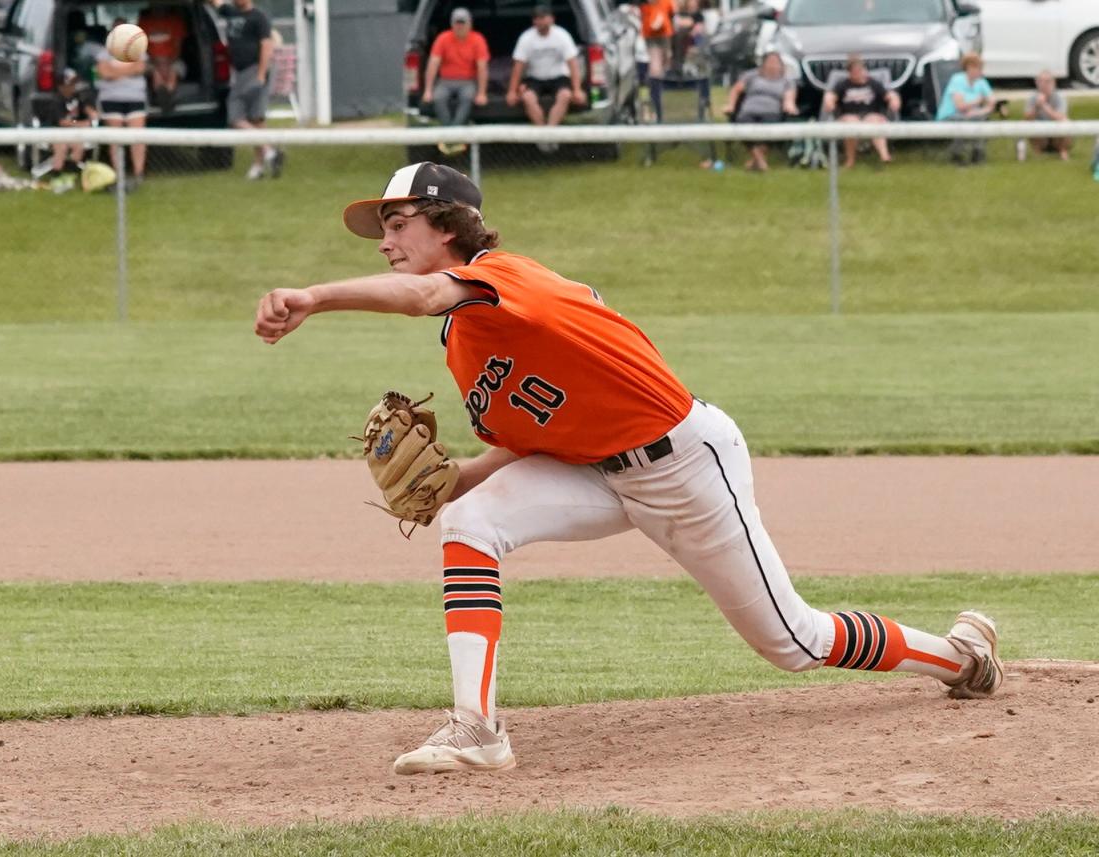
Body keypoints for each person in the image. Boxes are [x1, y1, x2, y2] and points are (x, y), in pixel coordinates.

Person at [253, 162, 1006, 775]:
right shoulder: (462, 341)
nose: (383, 241)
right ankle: (476, 728)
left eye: (396, 223)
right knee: (469, 520)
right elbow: (525, 439)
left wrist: (314, 298)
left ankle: (959, 656)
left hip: (684, 464)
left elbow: (421, 293)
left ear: (446, 223)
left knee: (794, 642)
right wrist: (457, 481)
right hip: (595, 473)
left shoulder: (507, 276)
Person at [210, 0, 283, 180]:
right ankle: (263, 162)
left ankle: (268, 153)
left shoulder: (259, 17)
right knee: (255, 121)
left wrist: (260, 75)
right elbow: (216, 3)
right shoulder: (230, 12)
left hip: (254, 69)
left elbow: (267, 46)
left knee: (237, 118)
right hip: (240, 71)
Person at [506, 5, 587, 152]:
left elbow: (573, 64)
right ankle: (543, 137)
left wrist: (577, 89)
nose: (540, 22)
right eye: (537, 18)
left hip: (558, 77)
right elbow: (518, 66)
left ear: (551, 19)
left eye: (543, 18)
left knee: (565, 95)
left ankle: (550, 134)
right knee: (528, 98)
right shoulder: (526, 38)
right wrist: (512, 91)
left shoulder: (562, 35)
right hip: (535, 77)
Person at [423, 7, 490, 157]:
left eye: (463, 23)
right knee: (438, 97)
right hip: (445, 81)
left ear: (469, 24)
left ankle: (452, 137)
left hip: (467, 81)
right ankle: (452, 136)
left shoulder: (477, 39)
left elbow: (482, 68)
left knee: (467, 98)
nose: (460, 26)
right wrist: (428, 90)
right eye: (457, 23)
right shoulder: (443, 38)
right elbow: (433, 64)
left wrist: (482, 93)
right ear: (452, 24)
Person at [96, 20, 149, 191]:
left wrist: (116, 72)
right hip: (111, 98)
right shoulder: (104, 52)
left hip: (135, 97)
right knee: (116, 139)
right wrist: (128, 70)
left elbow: (140, 68)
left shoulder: (138, 48)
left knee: (137, 137)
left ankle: (138, 173)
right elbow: (104, 73)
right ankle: (119, 174)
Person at [822, 55, 900, 169]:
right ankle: (850, 160)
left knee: (874, 121)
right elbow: (830, 96)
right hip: (849, 115)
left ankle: (885, 156)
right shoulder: (843, 85)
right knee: (851, 124)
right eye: (855, 71)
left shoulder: (873, 83)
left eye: (860, 70)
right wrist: (829, 101)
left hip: (871, 114)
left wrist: (894, 100)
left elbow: (889, 94)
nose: (859, 73)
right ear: (850, 72)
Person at [723, 51, 797, 171]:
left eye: (776, 62)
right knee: (742, 124)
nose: (773, 65)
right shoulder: (751, 76)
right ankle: (760, 160)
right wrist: (730, 105)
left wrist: (790, 106)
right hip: (749, 110)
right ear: (763, 64)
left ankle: (755, 160)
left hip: (772, 112)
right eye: (770, 62)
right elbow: (735, 90)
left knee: (772, 128)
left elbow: (789, 98)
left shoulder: (786, 81)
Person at [935, 52, 995, 165]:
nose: (980, 71)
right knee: (966, 121)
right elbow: (960, 106)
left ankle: (975, 153)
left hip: (971, 116)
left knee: (977, 119)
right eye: (977, 67)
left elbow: (992, 102)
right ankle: (959, 154)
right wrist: (978, 102)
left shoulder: (981, 82)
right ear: (969, 67)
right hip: (949, 116)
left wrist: (978, 112)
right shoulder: (957, 80)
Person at [44, 68, 99, 179]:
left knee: (78, 144)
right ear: (61, 86)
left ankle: (74, 170)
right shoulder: (57, 100)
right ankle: (56, 172)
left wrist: (92, 112)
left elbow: (87, 109)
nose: (74, 86)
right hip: (58, 132)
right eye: (71, 83)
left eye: (75, 83)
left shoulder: (78, 97)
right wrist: (81, 124)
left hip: (75, 131)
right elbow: (62, 122)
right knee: (61, 146)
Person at [138, 4, 189, 113]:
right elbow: (142, 48)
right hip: (151, 61)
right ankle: (165, 96)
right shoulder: (144, 22)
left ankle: (167, 95)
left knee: (174, 70)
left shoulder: (175, 21)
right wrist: (157, 63)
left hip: (172, 60)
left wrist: (168, 63)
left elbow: (178, 47)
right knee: (155, 71)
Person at [1021, 70, 1070, 161]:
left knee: (1066, 122)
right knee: (1030, 125)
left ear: (1053, 83)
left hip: (1056, 132)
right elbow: (1027, 118)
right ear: (1036, 83)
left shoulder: (1059, 97)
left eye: (1047, 82)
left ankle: (1063, 150)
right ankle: (1038, 152)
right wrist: (1036, 107)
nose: (1043, 85)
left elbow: (1060, 117)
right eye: (1040, 81)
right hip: (1041, 134)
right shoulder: (1032, 97)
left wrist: (1044, 106)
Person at [639, 0, 675, 122]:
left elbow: (671, 13)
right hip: (652, 37)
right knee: (656, 72)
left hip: (663, 36)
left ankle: (661, 107)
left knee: (661, 70)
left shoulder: (665, 2)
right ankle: (655, 109)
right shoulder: (644, 6)